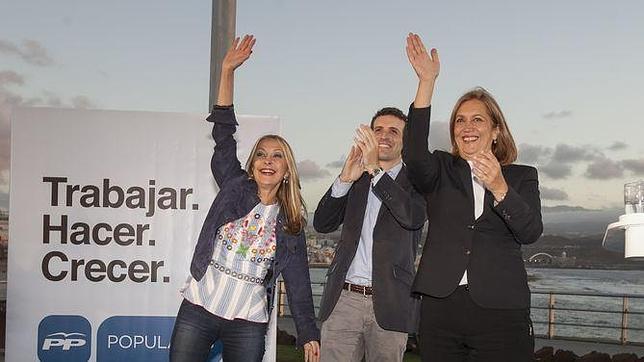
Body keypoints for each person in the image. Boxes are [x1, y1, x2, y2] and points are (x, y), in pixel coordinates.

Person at [169, 35, 320, 362]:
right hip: (199, 307)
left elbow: (299, 283)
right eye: (262, 154)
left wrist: (308, 333)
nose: (268, 160)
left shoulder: (290, 222)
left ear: (287, 170)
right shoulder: (235, 186)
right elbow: (223, 135)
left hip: (248, 322)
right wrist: (227, 72)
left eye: (277, 156)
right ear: (252, 165)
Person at [402, 33, 543, 361]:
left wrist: (499, 187)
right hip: (441, 309)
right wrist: (426, 82)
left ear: (495, 130)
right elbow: (413, 153)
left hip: (501, 310)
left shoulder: (522, 176)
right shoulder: (440, 169)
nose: (467, 126)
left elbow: (530, 231)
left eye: (477, 119)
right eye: (460, 121)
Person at [313, 104, 427, 361]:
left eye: (393, 131)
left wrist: (376, 171)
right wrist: (344, 178)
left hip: (391, 303)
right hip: (343, 299)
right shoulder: (356, 178)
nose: (384, 136)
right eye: (378, 130)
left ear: (405, 141)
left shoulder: (418, 181)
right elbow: (322, 223)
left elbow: (412, 218)